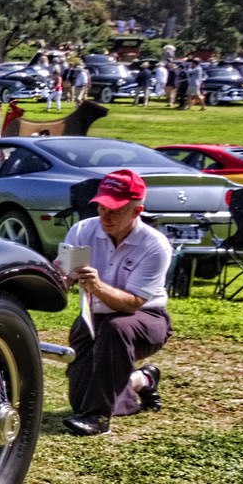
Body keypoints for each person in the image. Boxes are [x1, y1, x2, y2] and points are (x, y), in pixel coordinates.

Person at [59, 169, 170, 436]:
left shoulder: (156, 246)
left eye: (116, 210)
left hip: (146, 319)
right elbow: (63, 276)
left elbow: (133, 304)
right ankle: (142, 380)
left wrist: (96, 285)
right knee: (80, 400)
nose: (105, 216)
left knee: (116, 328)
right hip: (94, 316)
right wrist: (56, 280)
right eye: (102, 207)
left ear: (137, 211)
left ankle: (98, 418)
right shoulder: (82, 230)